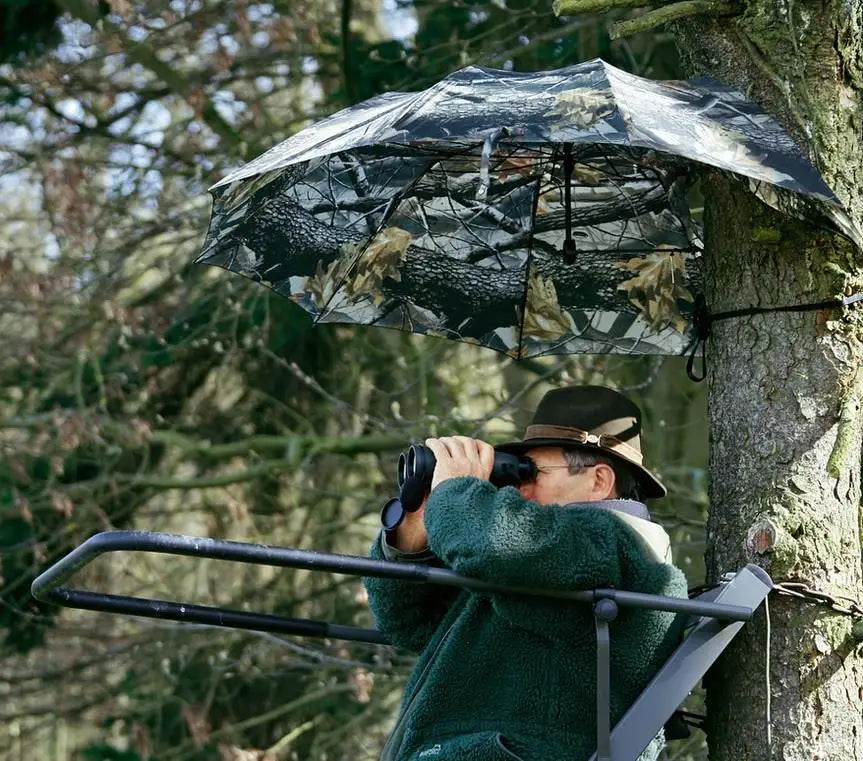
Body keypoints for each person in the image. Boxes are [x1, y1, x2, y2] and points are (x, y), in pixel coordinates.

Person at [364, 386, 688, 761]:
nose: (519, 487)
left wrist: (454, 490)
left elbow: (491, 542)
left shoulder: (615, 547)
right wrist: (414, 533)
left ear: (599, 481)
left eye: (531, 472)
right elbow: (404, 622)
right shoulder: (539, 565)